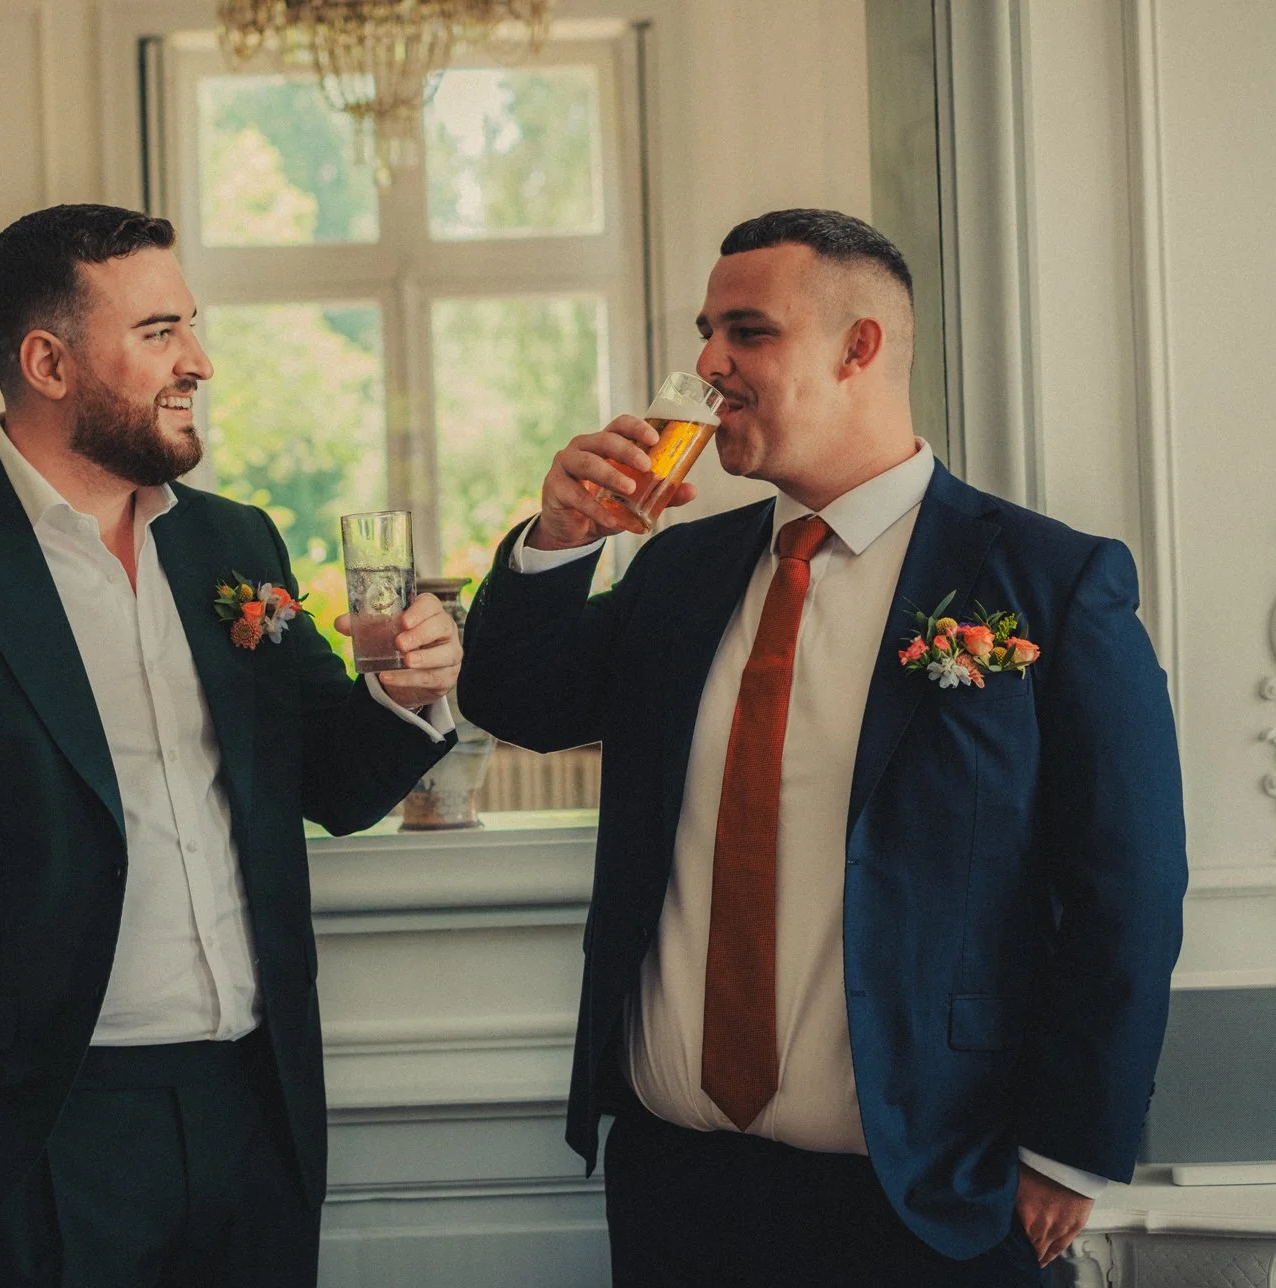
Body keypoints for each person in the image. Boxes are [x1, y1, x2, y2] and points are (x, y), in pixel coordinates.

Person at [457, 208, 1185, 1285]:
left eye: (747, 332)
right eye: (707, 333)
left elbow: (1128, 883)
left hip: (930, 1194)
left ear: (860, 347)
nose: (706, 364)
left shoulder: (1048, 582)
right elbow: (520, 700)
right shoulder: (677, 574)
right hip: (675, 1189)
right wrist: (557, 542)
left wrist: (1067, 1147)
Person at [0, 203, 461, 1287]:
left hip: (252, 1114)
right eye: (160, 331)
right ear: (48, 360)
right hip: (21, 1139)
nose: (200, 362)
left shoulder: (235, 540)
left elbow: (333, 784)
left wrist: (405, 692)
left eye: (192, 326)